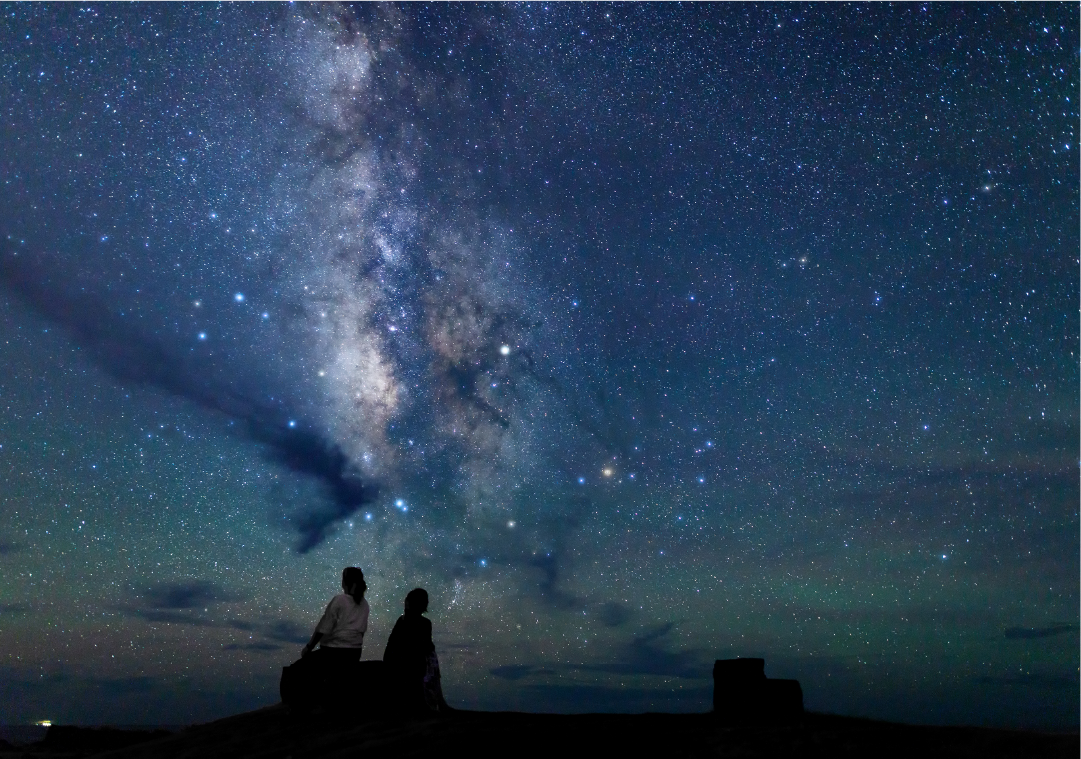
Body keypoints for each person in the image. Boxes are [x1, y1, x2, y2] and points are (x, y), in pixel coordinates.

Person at [383, 588, 448, 713]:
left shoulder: (403, 621)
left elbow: (391, 645)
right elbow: (426, 647)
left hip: (403, 666)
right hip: (415, 667)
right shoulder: (425, 623)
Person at [302, 566, 369, 665]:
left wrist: (309, 647)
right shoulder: (365, 604)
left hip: (333, 651)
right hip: (354, 653)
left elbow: (324, 627)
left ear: (344, 582)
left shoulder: (339, 600)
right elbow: (362, 631)